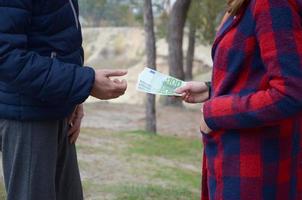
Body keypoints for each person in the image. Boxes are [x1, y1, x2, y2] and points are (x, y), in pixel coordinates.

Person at [0, 1, 127, 200]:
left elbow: (60, 41)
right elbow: (6, 57)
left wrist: (76, 97)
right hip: (28, 117)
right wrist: (86, 82)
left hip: (57, 108)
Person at [176, 0, 302, 199]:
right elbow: (257, 73)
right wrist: (211, 89)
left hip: (255, 169)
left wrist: (214, 113)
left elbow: (290, 93)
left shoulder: (271, 3)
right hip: (231, 159)